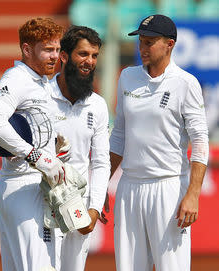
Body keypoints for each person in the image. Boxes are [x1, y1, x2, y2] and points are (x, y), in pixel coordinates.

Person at [107, 14, 209, 271]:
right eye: (141, 41)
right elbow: (119, 135)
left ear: (170, 44)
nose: (142, 48)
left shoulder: (186, 83)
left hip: (168, 188)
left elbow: (199, 141)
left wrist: (193, 194)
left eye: (150, 42)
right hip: (129, 187)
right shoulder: (127, 77)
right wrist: (101, 186)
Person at [0, 18, 65, 270]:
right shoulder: (17, 78)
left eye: (57, 49)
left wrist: (55, 143)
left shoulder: (42, 82)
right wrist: (36, 156)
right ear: (27, 50)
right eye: (47, 49)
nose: (55, 56)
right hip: (23, 186)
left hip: (32, 185)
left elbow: (32, 125)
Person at [49, 26, 110, 270]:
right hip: (44, 201)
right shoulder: (42, 96)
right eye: (83, 54)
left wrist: (93, 209)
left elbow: (101, 161)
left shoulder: (97, 105)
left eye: (94, 56)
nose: (89, 62)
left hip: (80, 203)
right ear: (64, 56)